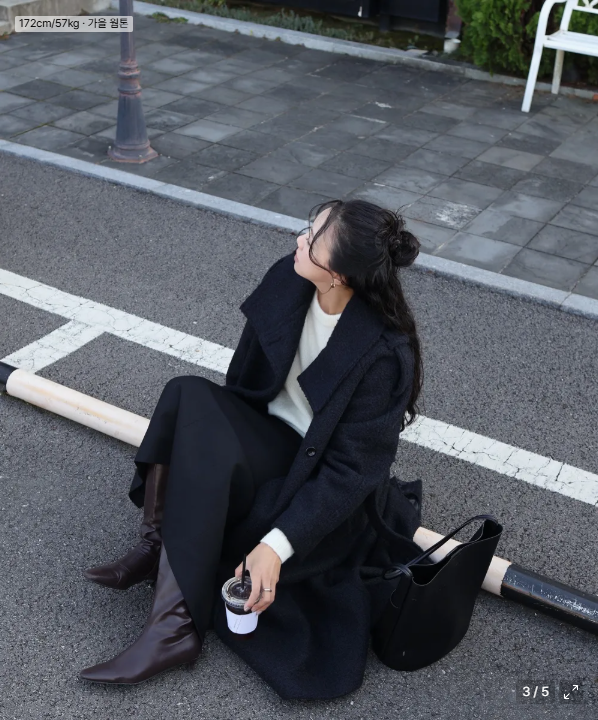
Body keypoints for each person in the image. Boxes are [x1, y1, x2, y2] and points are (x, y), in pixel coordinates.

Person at [78, 198, 426, 699]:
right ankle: (157, 545)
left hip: (311, 469)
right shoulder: (290, 278)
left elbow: (352, 471)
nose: (300, 239)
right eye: (308, 228)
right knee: (186, 393)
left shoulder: (383, 354)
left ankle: (175, 629)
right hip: (269, 433)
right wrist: (212, 444)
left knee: (202, 421)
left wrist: (275, 546)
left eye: (313, 238)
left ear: (338, 274)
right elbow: (242, 381)